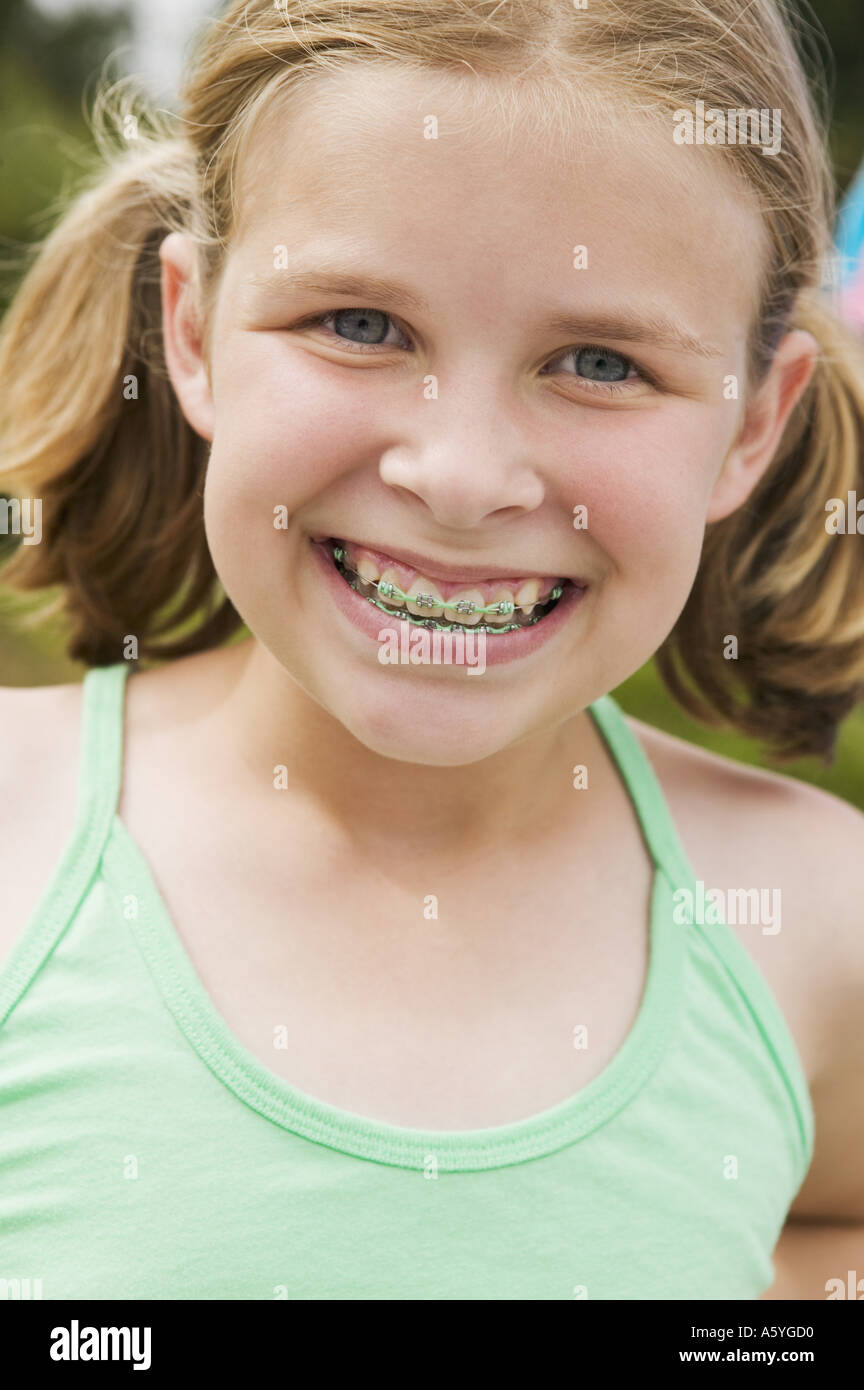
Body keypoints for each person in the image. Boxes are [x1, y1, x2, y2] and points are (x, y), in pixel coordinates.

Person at [1, 0, 863, 1301]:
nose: (459, 477)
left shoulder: (817, 914)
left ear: (752, 426)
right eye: (359, 325)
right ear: (192, 332)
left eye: (596, 360)